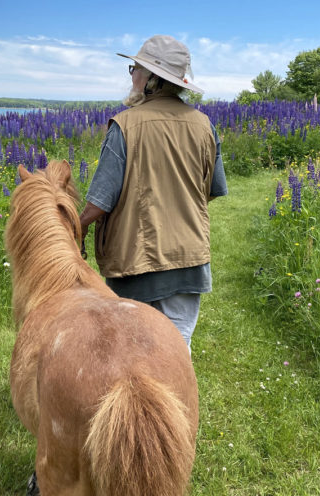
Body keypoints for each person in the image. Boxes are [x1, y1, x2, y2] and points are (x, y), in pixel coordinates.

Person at [79, 34, 227, 353]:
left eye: (135, 68)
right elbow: (212, 190)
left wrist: (74, 227)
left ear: (152, 80)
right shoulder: (204, 125)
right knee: (176, 353)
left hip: (136, 263)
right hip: (189, 260)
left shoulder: (125, 126)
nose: (132, 74)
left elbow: (99, 203)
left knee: (131, 356)